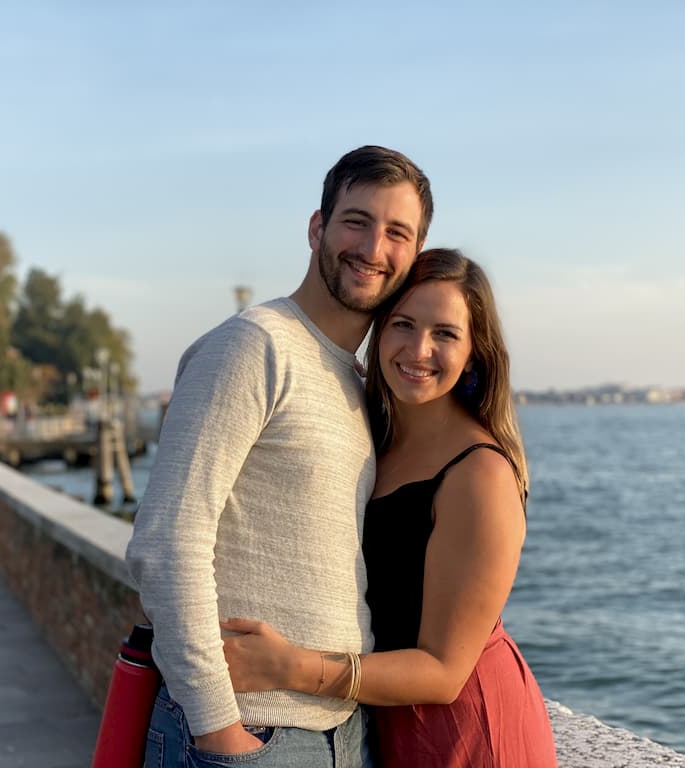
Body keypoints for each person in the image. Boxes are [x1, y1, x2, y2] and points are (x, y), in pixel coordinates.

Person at [124, 145, 434, 767]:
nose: (373, 247)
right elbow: (167, 543)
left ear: (414, 256)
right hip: (252, 735)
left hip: (340, 735)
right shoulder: (253, 346)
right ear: (317, 228)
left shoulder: (353, 379)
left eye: (396, 232)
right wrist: (221, 733)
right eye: (356, 221)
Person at [221, 249, 558, 767]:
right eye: (403, 324)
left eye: (445, 333)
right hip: (384, 714)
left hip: (465, 729)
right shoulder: (374, 438)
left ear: (475, 352)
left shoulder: (479, 474)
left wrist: (289, 667)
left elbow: (446, 672)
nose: (418, 349)